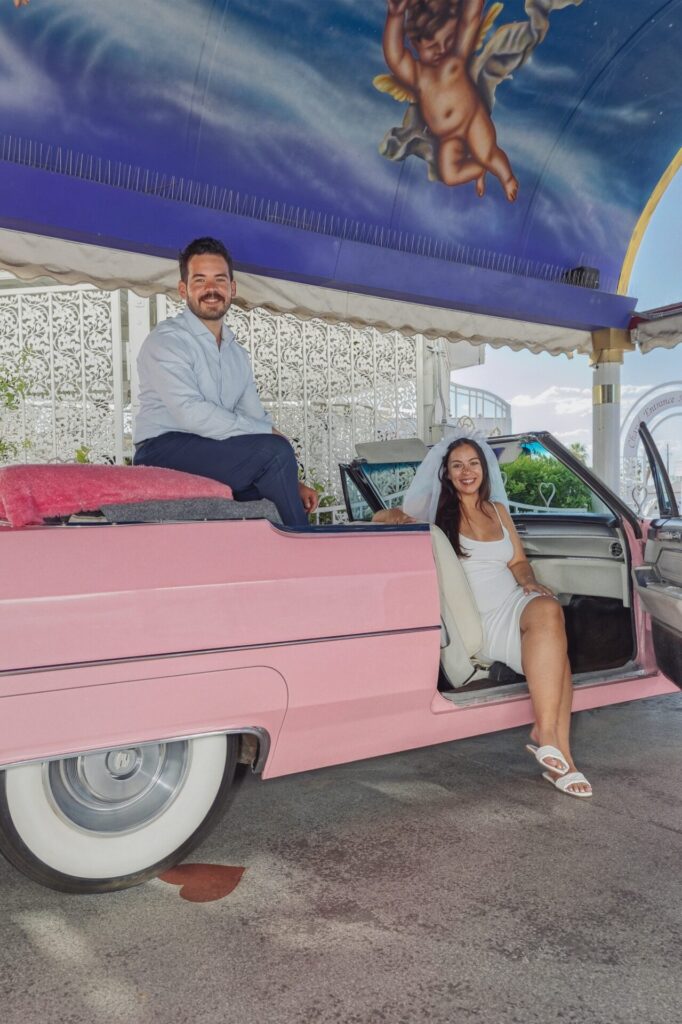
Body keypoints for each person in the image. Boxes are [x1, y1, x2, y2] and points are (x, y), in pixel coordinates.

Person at [375, 436, 592, 798]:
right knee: (560, 660)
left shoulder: (498, 511)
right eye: (457, 465)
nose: (466, 471)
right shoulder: (438, 512)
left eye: (473, 463)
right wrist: (394, 515)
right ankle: (559, 754)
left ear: (484, 468)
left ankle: (551, 742)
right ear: (446, 472)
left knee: (550, 608)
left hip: (514, 601)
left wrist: (529, 582)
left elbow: (518, 563)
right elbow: (379, 518)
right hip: (481, 618)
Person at [133, 237, 318, 526]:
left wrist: (291, 481)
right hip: (162, 449)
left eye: (219, 280)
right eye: (200, 280)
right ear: (184, 290)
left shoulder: (236, 354)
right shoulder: (167, 341)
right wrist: (270, 437)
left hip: (211, 449)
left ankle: (269, 564)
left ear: (232, 289)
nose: (211, 289)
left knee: (272, 476)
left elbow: (254, 414)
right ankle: (307, 554)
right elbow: (191, 414)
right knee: (275, 453)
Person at [383, 0, 518, 198]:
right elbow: (395, 57)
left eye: (448, 40)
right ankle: (479, 170)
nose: (442, 49)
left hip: (472, 121)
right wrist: (395, 16)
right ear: (415, 44)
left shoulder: (456, 58)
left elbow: (470, 19)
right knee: (449, 175)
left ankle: (507, 178)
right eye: (432, 46)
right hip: (448, 137)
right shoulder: (418, 75)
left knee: (487, 154)